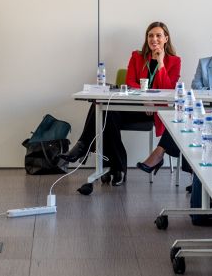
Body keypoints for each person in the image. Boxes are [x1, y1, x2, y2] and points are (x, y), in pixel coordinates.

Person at [59, 22, 181, 186]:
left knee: (107, 114)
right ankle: (115, 167)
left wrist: (161, 64)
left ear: (166, 38)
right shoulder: (137, 57)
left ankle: (92, 152)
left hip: (156, 112)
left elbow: (168, 89)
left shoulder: (174, 61)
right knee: (105, 110)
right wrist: (144, 98)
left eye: (158, 35)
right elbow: (130, 81)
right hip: (135, 106)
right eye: (150, 35)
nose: (154, 39)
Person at [136, 25, 212, 174]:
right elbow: (196, 87)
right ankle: (189, 170)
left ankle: (161, 154)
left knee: (195, 124)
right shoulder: (205, 63)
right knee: (181, 120)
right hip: (206, 111)